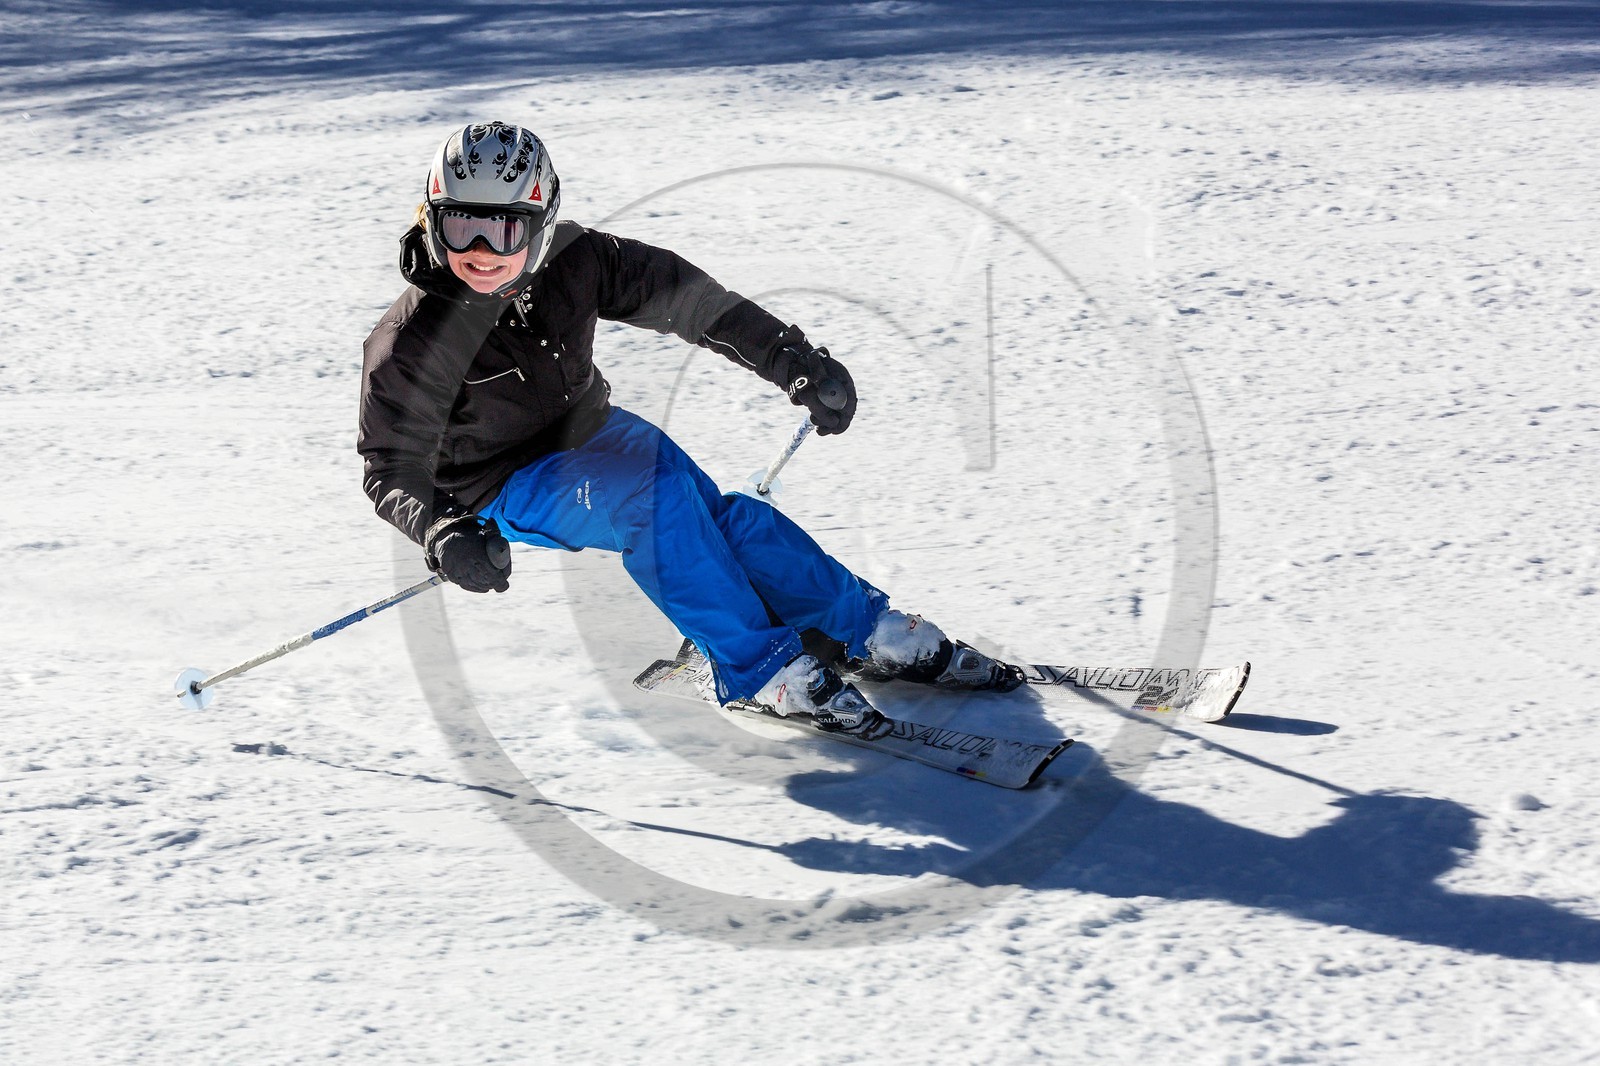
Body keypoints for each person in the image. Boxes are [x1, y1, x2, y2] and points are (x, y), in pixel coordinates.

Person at [358, 121, 1019, 735]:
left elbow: (684, 297)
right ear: (430, 219)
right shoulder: (410, 343)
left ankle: (859, 629)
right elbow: (388, 467)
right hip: (499, 482)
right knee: (655, 505)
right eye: (460, 227)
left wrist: (788, 358)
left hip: (594, 429)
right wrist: (444, 531)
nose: (479, 252)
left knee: (711, 517)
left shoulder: (575, 260)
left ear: (542, 222)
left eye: (503, 231)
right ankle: (759, 672)